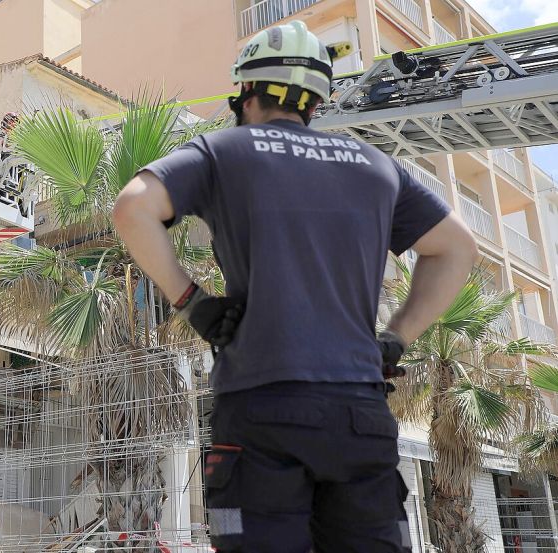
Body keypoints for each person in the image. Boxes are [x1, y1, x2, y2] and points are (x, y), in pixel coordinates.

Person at [112, 20, 477, 553]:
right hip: (359, 412)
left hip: (262, 403)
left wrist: (192, 302)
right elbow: (458, 247)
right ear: (316, 102)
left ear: (244, 91)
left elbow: (131, 207)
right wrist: (395, 338)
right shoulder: (378, 167)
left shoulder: (223, 151)